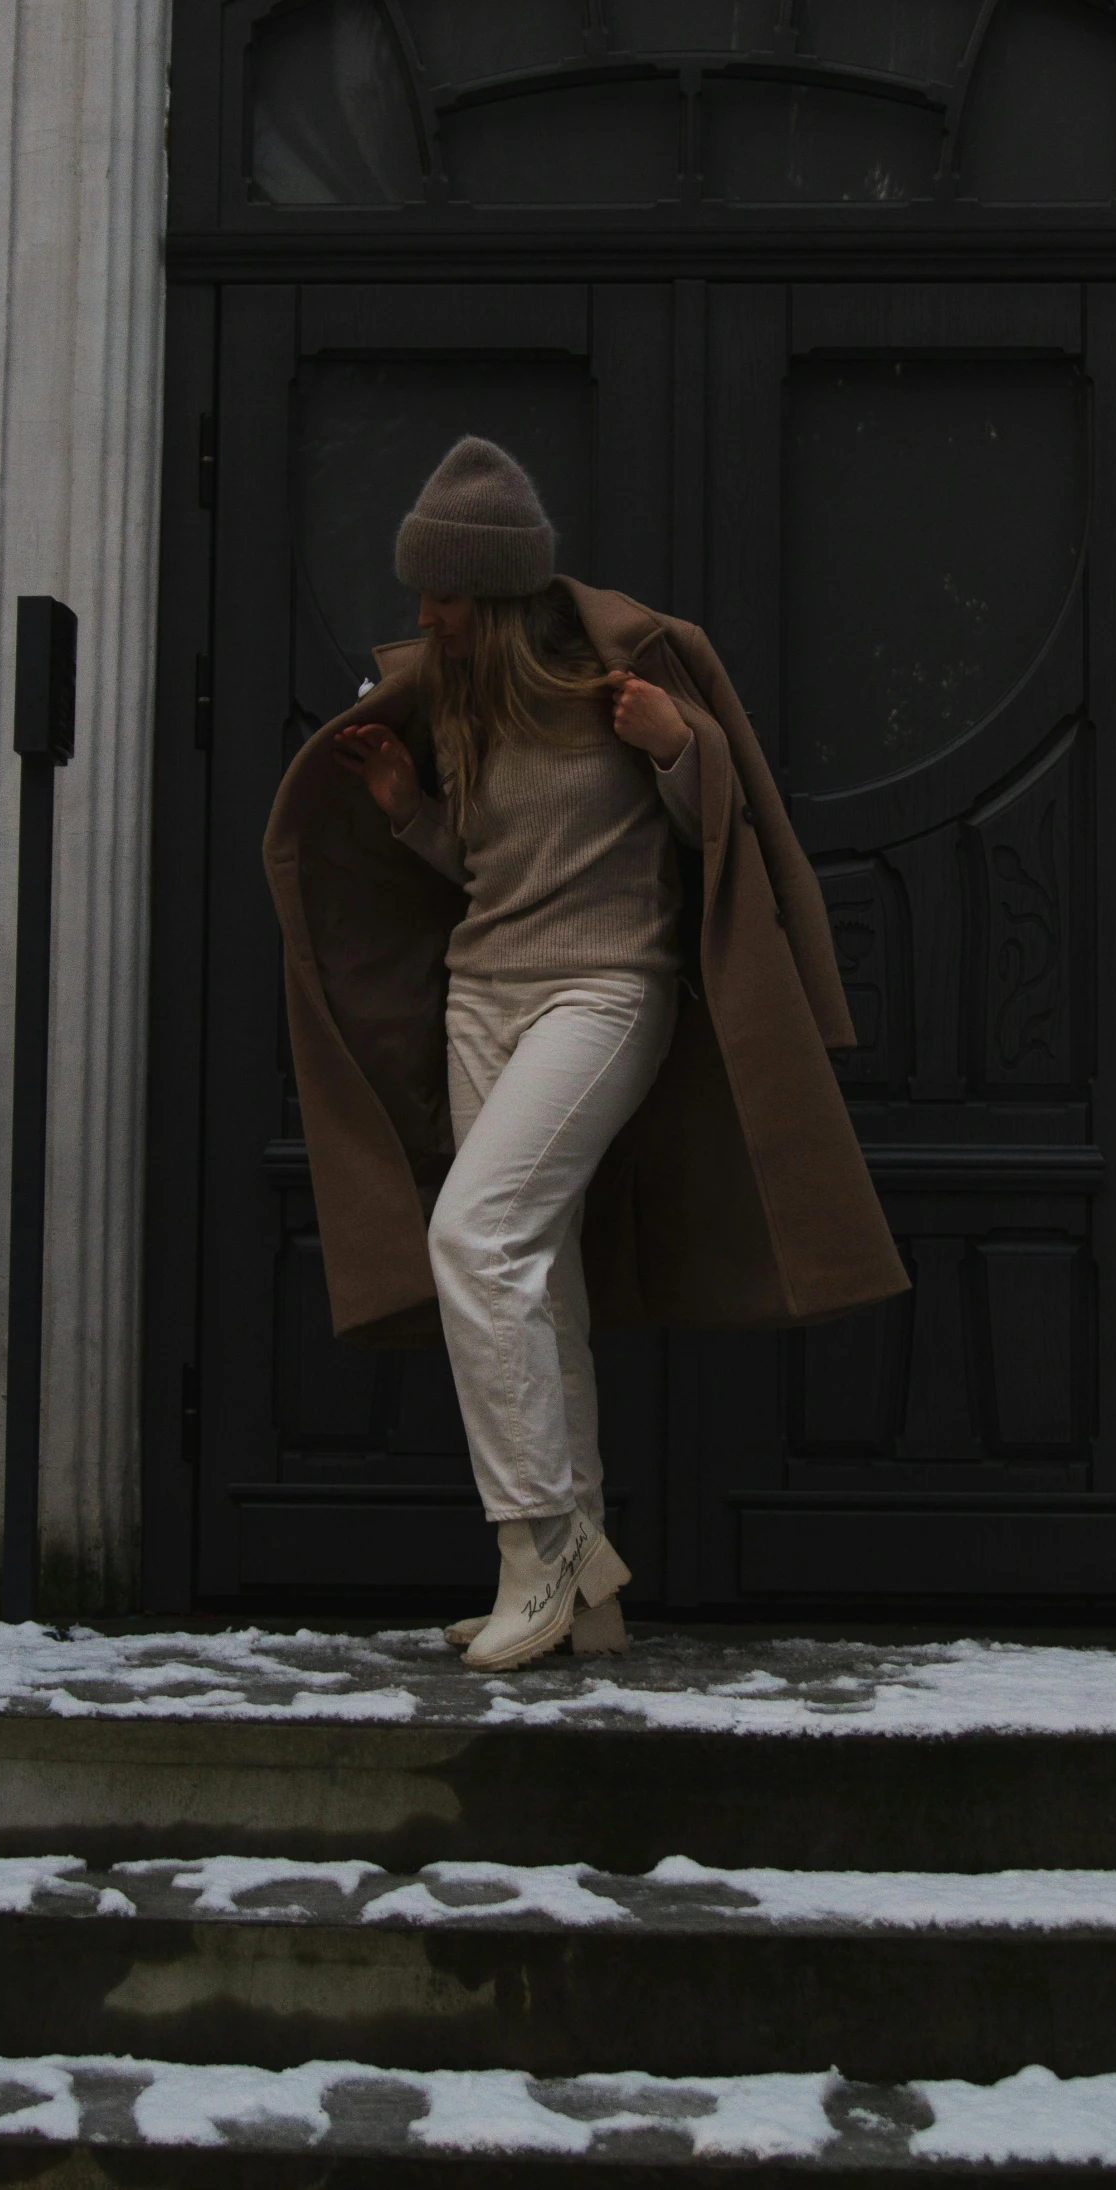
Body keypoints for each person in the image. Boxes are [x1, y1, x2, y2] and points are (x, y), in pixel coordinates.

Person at [262, 437, 906, 1673]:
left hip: (606, 995)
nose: (423, 613)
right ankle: (587, 1593)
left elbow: (710, 844)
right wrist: (407, 808)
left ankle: (537, 1545)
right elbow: (487, 871)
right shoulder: (453, 704)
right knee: (538, 1280)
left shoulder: (619, 682)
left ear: (493, 588)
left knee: (472, 1236)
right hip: (479, 1000)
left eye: (441, 591)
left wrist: (678, 748)